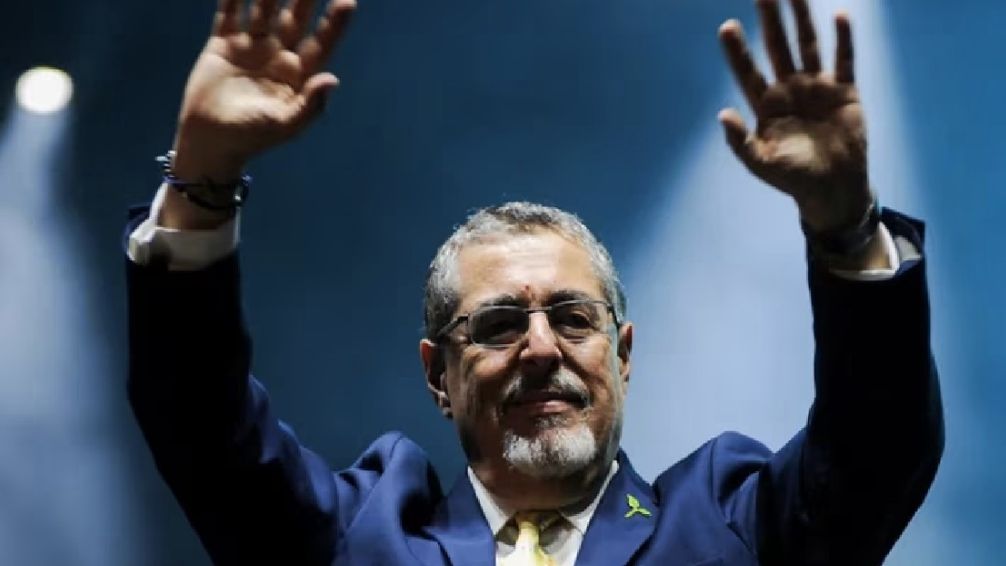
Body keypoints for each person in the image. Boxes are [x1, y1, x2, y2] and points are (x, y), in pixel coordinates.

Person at [125, 0, 944, 564]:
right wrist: (203, 177)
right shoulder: (354, 535)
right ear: (438, 377)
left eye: (575, 318)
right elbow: (199, 422)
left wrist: (844, 226)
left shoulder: (737, 523)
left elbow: (878, 445)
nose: (542, 348)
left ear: (624, 354)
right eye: (497, 325)